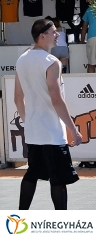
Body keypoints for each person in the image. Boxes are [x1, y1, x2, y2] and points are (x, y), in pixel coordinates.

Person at [13, 19, 83, 210]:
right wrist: (73, 130)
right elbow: (56, 99)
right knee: (58, 179)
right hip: (52, 132)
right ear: (42, 36)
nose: (57, 34)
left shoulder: (22, 60)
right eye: (54, 32)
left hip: (34, 131)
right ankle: (62, 225)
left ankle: (20, 220)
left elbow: (18, 98)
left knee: (32, 174)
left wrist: (29, 122)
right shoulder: (52, 63)